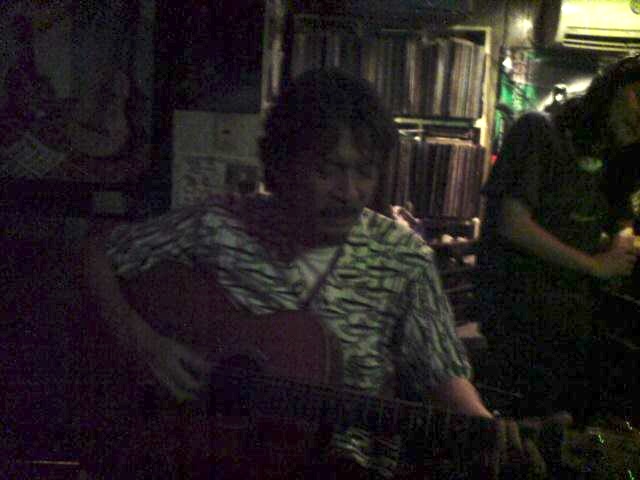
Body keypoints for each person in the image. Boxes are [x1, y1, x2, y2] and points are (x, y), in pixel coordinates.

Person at [80, 68, 554, 479]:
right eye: (328, 170)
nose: (349, 192)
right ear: (279, 165)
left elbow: (441, 372)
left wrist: (486, 429)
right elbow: (95, 253)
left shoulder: (401, 256)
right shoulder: (216, 225)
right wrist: (141, 342)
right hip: (202, 460)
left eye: (364, 172)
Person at [477, 55, 640, 425]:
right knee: (524, 431)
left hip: (576, 322)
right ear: (613, 87)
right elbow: (512, 224)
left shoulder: (615, 160)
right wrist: (596, 265)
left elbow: (622, 222)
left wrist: (623, 239)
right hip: (520, 317)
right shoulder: (538, 131)